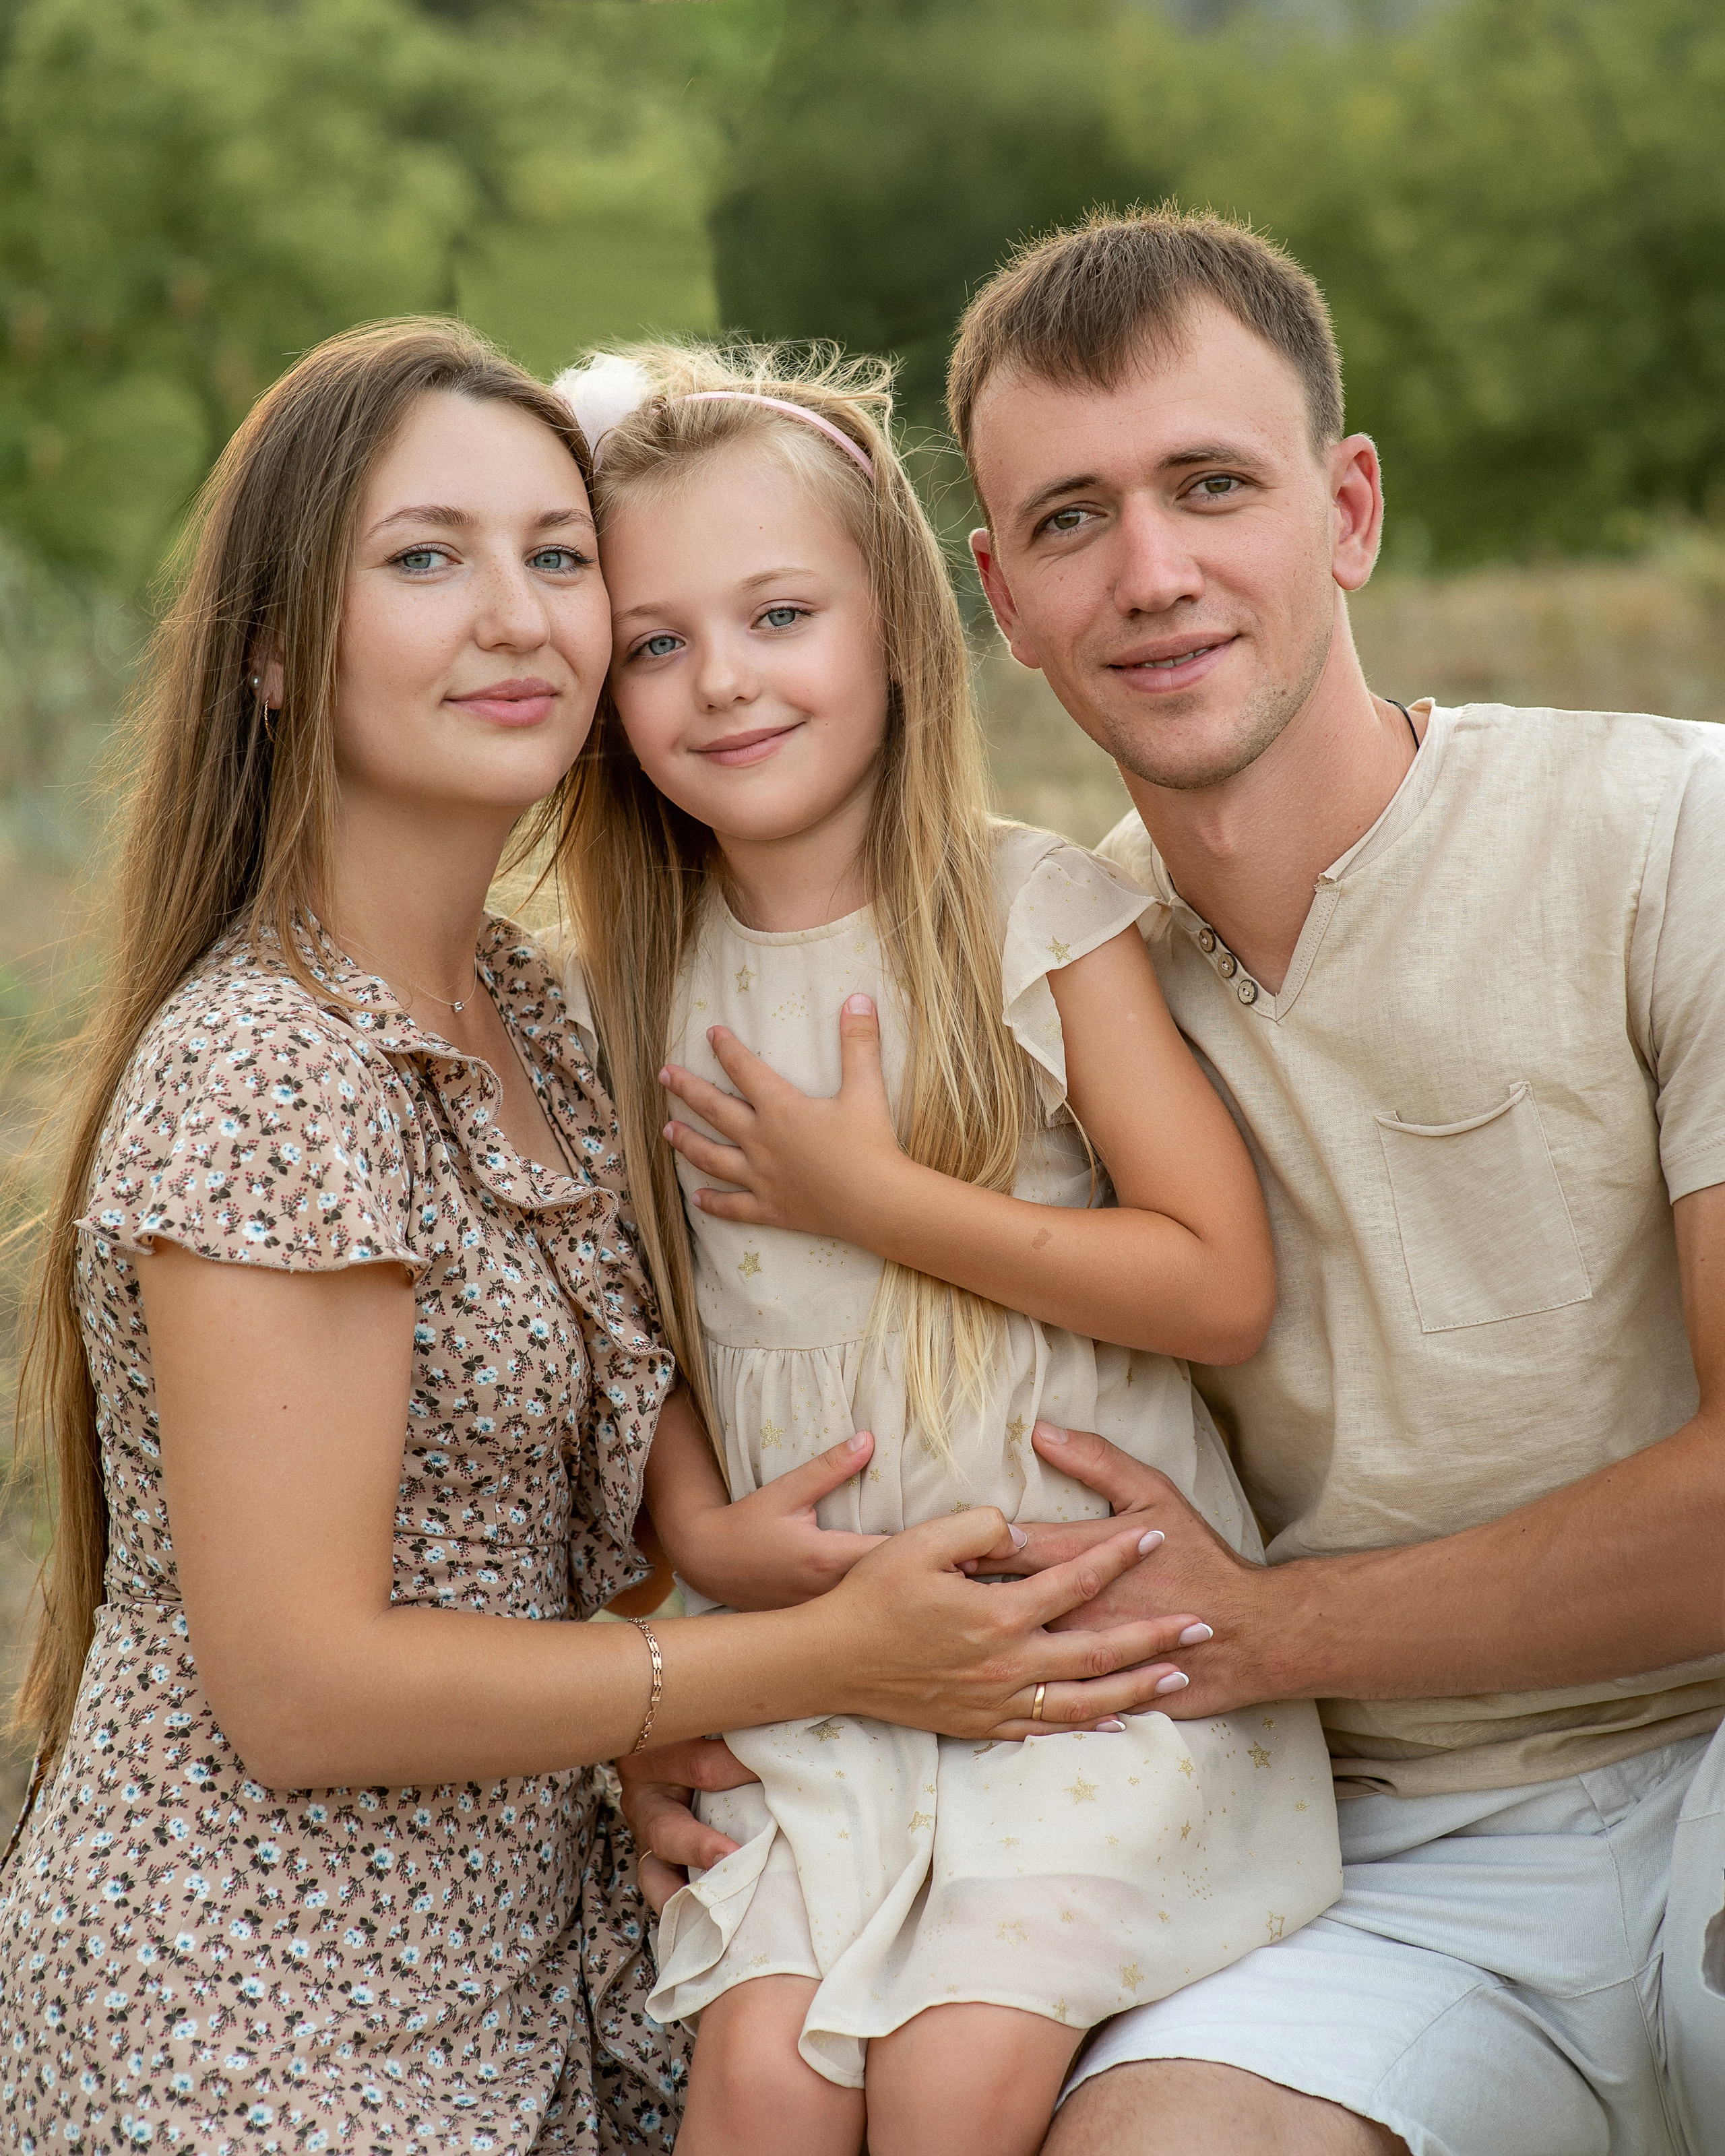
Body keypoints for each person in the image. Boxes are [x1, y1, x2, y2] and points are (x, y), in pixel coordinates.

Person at [0, 317, 1195, 2156]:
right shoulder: (274, 1070)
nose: (519, 618)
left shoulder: (536, 1014)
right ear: (267, 652)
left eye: (559, 557)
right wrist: (812, 1664)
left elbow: (565, 1504)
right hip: (266, 2025)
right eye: (425, 559)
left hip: (532, 1965)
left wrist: (677, 1652)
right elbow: (306, 1691)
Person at [627, 210, 1725, 2155]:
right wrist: (723, 1687)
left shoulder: (1667, 837)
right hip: (1387, 1856)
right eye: (1071, 521)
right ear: (1000, 600)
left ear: (1349, 509)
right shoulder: (1033, 980)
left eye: (1212, 485)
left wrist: (1266, 1631)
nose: (1152, 572)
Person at [548, 340, 1341, 2156]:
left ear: (899, 632)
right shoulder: (630, 987)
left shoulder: (1031, 917)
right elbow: (630, 1309)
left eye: (777, 614)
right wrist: (689, 1524)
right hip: (823, 1662)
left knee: (957, 2086)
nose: (722, 681)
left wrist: (875, 1200)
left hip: (1078, 1653)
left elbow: (1217, 1278)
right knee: (757, 2079)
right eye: (658, 645)